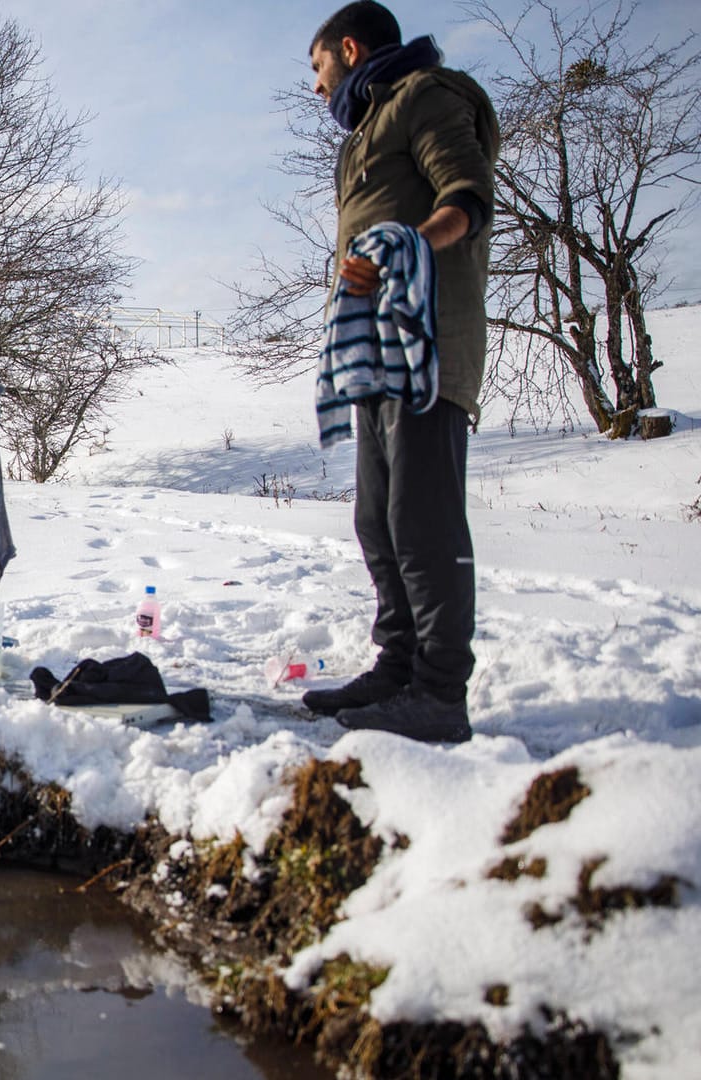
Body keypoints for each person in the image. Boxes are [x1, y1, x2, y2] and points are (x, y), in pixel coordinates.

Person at [301, 1, 498, 742]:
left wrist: (398, 251)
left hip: (427, 346)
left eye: (318, 69)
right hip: (374, 357)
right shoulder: (365, 133)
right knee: (377, 519)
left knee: (422, 519)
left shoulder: (426, 96)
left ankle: (441, 694)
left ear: (350, 49)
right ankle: (398, 668)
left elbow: (468, 197)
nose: (318, 89)